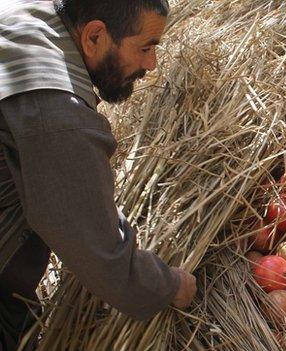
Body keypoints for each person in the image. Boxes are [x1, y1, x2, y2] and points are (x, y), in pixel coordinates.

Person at [0, 1, 198, 349]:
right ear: (94, 36)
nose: (151, 64)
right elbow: (103, 258)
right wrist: (171, 285)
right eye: (145, 47)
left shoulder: (29, 12)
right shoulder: (57, 116)